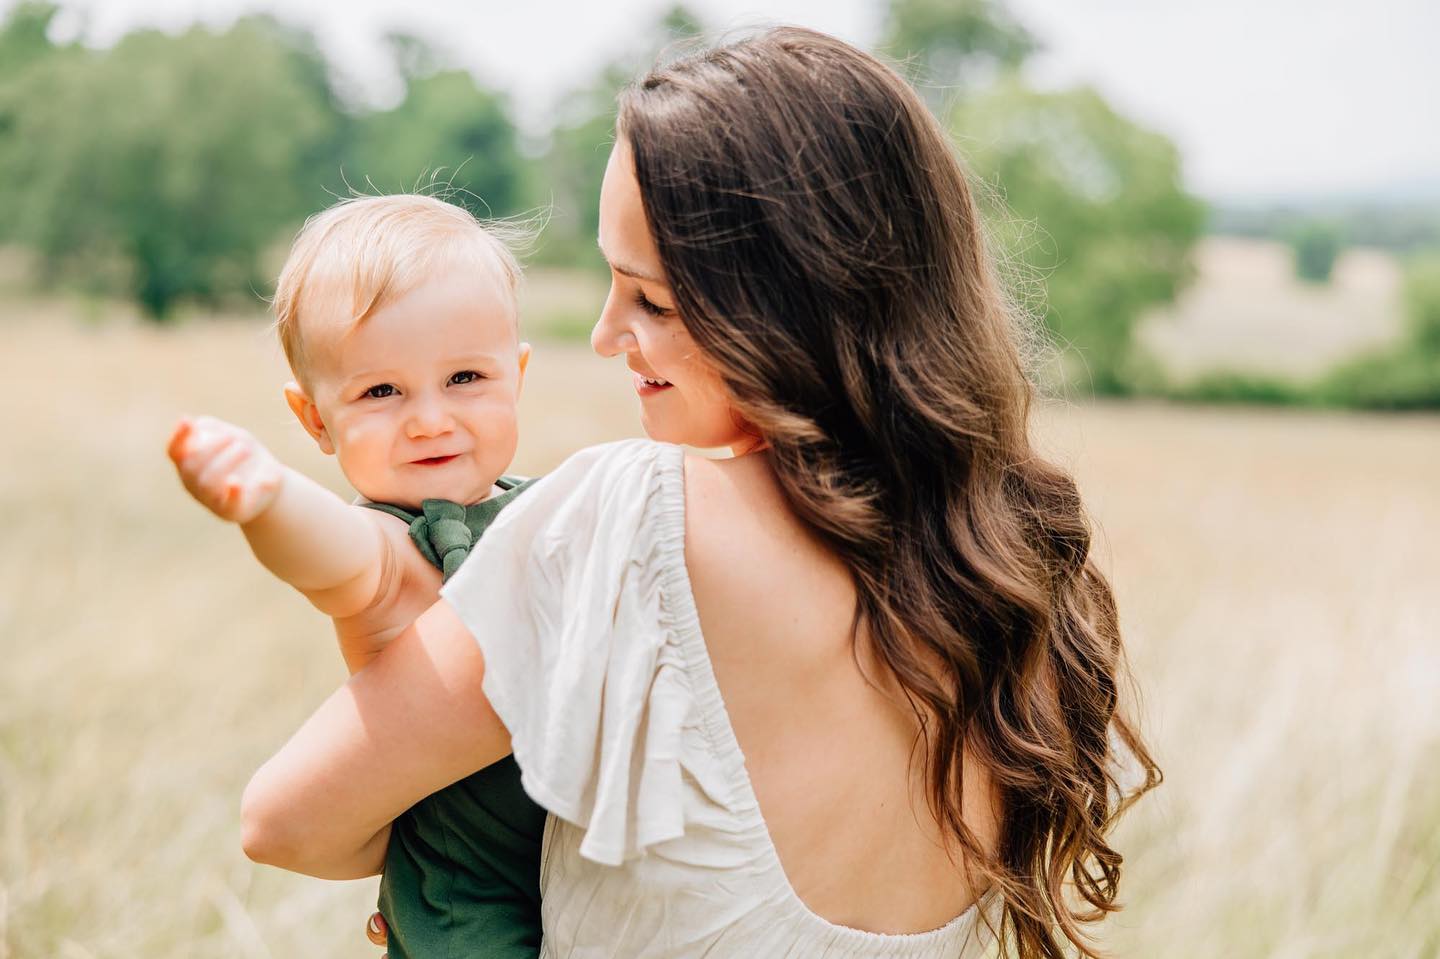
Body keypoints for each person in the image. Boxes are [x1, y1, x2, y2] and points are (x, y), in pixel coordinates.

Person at [239, 27, 1161, 959]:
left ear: (787, 307)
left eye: (654, 301)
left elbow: (284, 821)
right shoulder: (1000, 575)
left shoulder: (633, 519)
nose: (606, 334)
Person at [166, 193, 548, 959]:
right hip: (473, 908)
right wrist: (267, 500)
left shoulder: (541, 508)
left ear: (518, 372)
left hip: (567, 872)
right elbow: (337, 556)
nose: (430, 418)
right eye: (381, 391)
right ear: (314, 421)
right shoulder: (393, 538)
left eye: (466, 376)